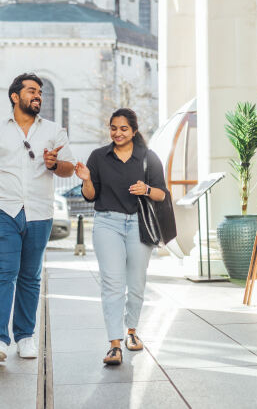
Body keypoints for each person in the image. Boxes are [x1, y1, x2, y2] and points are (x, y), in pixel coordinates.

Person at [0, 73, 76, 363]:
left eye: (40, 91)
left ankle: (25, 336)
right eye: (31, 90)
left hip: (40, 213)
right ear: (15, 96)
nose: (37, 95)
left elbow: (70, 168)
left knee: (30, 277)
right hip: (2, 210)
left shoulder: (55, 130)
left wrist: (56, 164)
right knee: (3, 273)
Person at [74, 108, 167, 365]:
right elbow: (91, 195)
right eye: (113, 128)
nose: (117, 133)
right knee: (112, 284)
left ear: (134, 131)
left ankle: (132, 332)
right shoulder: (98, 157)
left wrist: (146, 189)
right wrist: (86, 179)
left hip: (139, 224)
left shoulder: (148, 157)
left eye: (124, 128)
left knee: (136, 284)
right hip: (107, 224)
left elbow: (162, 194)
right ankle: (114, 344)